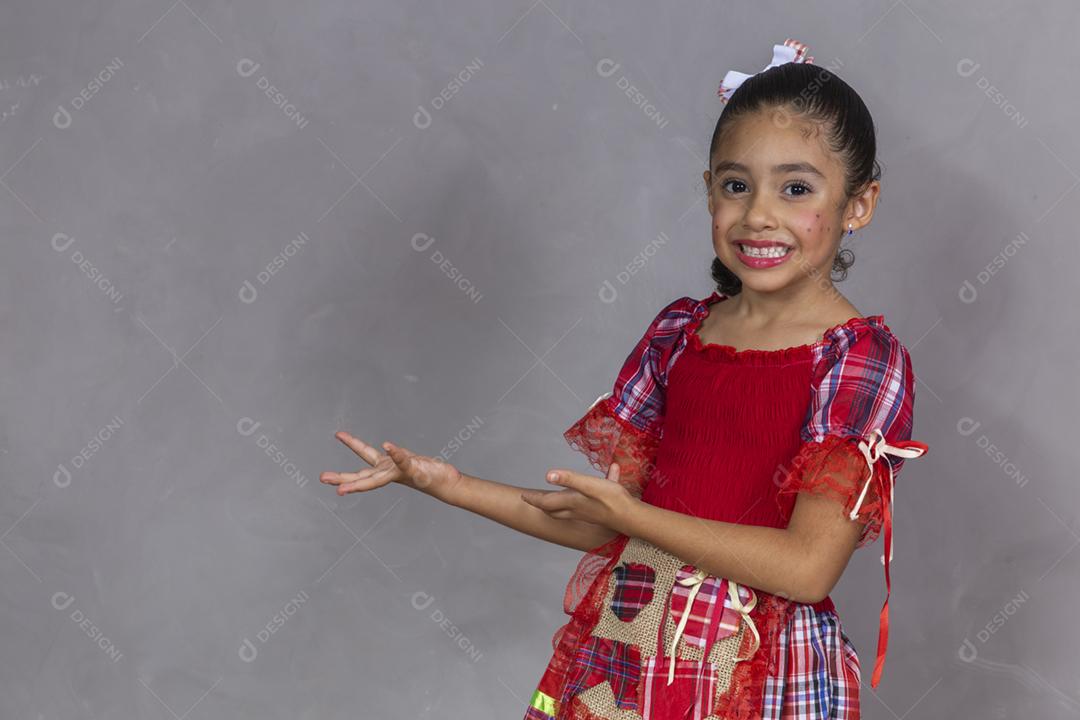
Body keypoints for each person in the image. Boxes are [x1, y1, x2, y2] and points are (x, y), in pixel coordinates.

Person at [320, 38, 930, 720]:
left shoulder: (860, 360)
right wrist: (449, 485)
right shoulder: (677, 336)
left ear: (859, 203)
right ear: (708, 193)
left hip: (756, 670)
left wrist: (635, 519)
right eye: (736, 185)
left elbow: (806, 567)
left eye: (795, 189)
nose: (759, 214)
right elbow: (604, 525)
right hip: (635, 649)